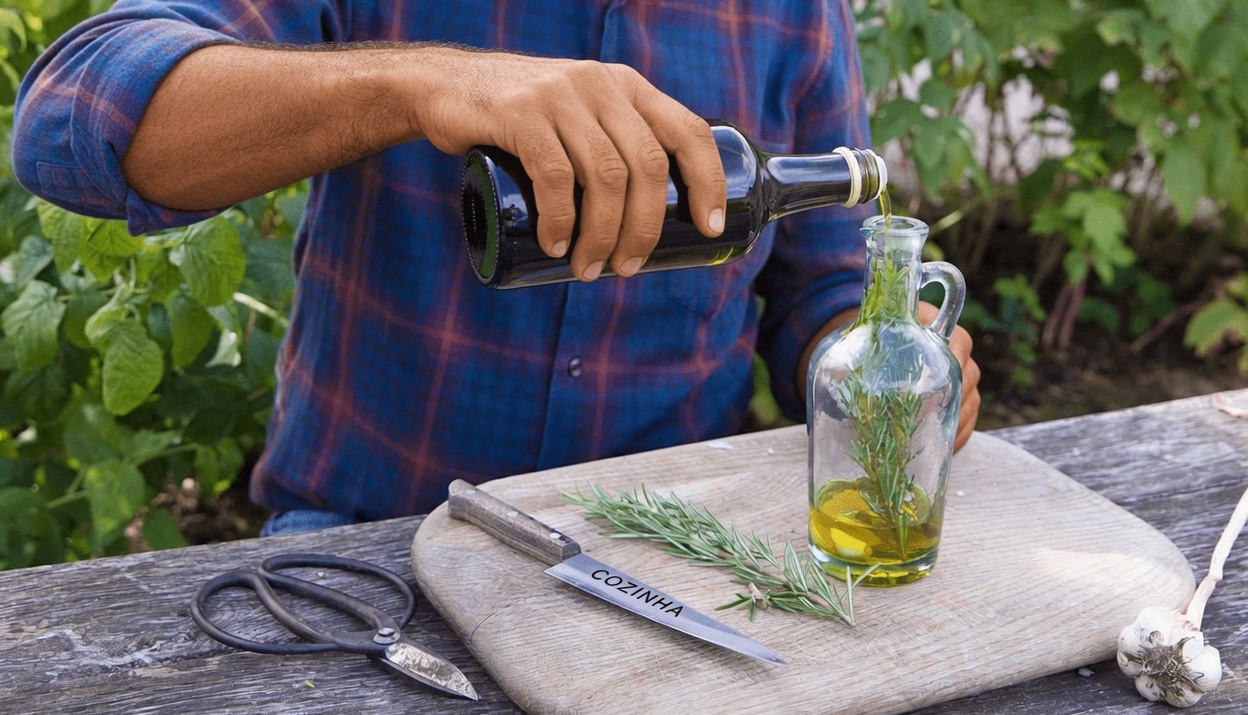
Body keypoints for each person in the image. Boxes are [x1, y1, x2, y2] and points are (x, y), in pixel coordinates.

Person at [13, 1, 980, 535]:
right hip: (370, 544)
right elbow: (69, 118)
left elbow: (821, 289)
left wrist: (882, 366)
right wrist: (421, 82)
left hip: (666, 551)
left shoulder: (792, 13)